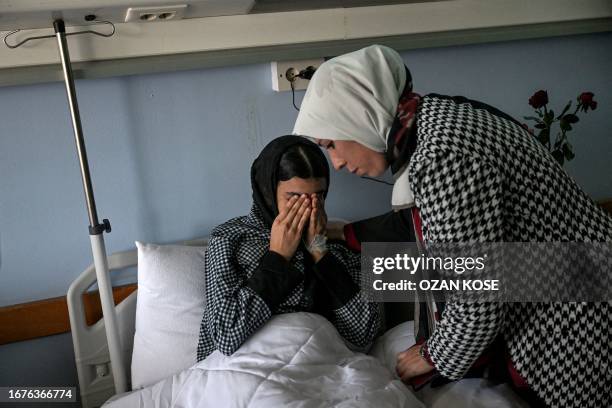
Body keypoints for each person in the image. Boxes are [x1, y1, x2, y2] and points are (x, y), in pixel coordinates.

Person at [293, 44, 612, 408]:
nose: (336, 163)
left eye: (331, 145)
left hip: (579, 320)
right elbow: (438, 231)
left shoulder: (442, 157)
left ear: (358, 115)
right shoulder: (437, 118)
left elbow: (478, 298)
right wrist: (336, 235)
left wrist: (431, 356)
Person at [196, 135, 382, 361]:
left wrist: (320, 252)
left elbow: (365, 332)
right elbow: (225, 336)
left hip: (319, 365)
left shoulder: (341, 242)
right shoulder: (230, 238)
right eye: (294, 198)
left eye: (318, 197)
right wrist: (278, 258)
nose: (308, 208)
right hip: (246, 368)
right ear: (267, 191)